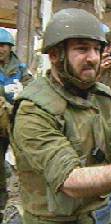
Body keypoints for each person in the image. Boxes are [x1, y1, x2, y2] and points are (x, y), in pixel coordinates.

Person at [9, 8, 111, 224]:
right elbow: (70, 180)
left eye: (97, 49)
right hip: (51, 219)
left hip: (95, 211)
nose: (93, 58)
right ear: (55, 55)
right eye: (82, 49)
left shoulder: (101, 95)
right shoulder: (34, 109)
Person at [0, 28, 32, 213]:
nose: (0, 49)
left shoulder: (20, 68)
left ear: (10, 47)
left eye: (3, 45)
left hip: (17, 122)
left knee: (26, 162)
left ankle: (28, 200)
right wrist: (4, 92)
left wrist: (22, 89)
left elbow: (31, 85)